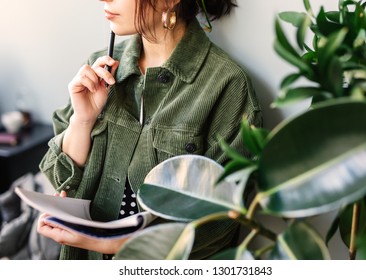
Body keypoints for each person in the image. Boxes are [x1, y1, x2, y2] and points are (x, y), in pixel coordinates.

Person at [37, 0, 263, 260]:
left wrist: (112, 244)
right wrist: (83, 120)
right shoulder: (100, 69)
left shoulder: (227, 86)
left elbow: (222, 220)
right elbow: (60, 179)